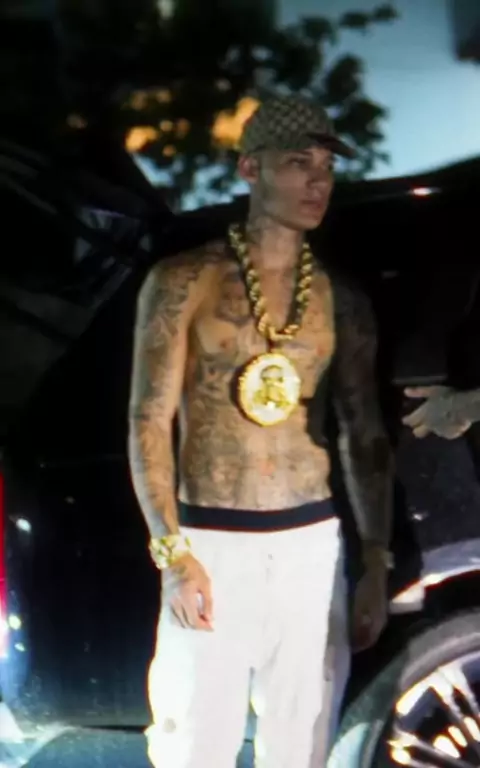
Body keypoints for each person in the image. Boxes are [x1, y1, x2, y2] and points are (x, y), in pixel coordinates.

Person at [128, 94, 394, 768]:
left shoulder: (340, 297)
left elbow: (362, 432)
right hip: (213, 541)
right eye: (299, 163)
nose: (317, 182)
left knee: (301, 744)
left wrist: (374, 561)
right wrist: (173, 555)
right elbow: (148, 418)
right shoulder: (184, 281)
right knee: (196, 744)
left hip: (312, 545)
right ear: (251, 168)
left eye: (326, 168)